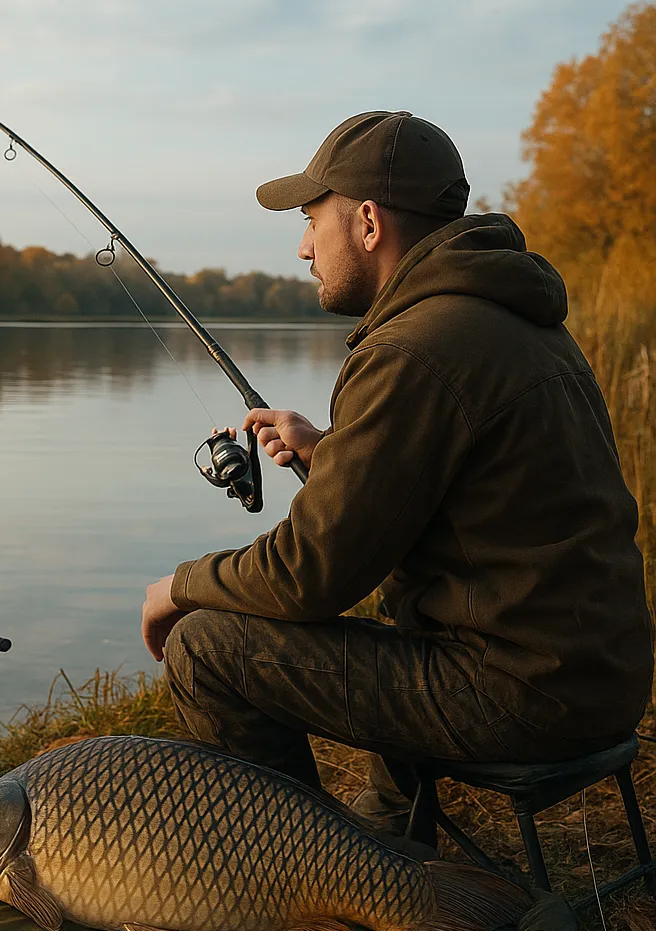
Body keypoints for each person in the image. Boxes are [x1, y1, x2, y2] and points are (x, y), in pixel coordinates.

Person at [140, 110, 653, 831]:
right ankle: (387, 833)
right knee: (410, 620)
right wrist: (330, 452)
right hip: (598, 678)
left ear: (369, 224)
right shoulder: (509, 318)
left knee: (206, 647)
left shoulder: (413, 348)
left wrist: (178, 587)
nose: (302, 248)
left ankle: (303, 875)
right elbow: (472, 501)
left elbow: (308, 578)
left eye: (314, 221)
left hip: (523, 693)